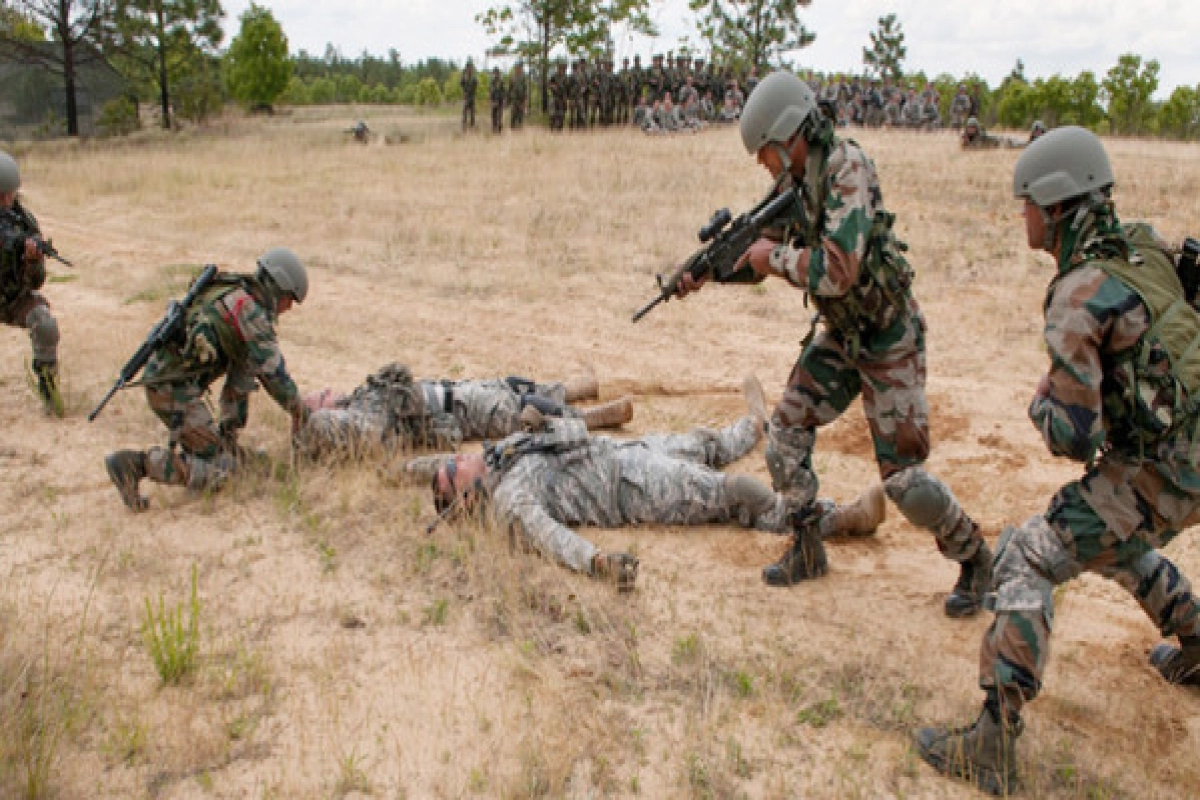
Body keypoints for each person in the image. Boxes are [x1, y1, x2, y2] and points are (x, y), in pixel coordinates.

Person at [914, 127, 1200, 795]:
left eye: (1025, 204)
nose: (1021, 216)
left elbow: (1072, 436)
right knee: (1113, 541)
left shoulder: (1077, 294)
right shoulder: (1146, 249)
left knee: (1030, 555)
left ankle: (992, 737)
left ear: (1054, 205)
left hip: (1160, 471)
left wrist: (1041, 403)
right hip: (1185, 459)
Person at [675, 71, 990, 617]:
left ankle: (976, 557)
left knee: (905, 482)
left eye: (766, 151)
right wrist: (710, 272)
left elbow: (837, 271)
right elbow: (759, 251)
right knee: (785, 431)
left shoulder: (848, 169)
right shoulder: (792, 185)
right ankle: (806, 548)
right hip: (843, 337)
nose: (762, 163)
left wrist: (767, 260)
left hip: (890, 337)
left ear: (792, 135)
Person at [425, 377, 886, 590]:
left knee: (702, 443)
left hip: (627, 452)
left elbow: (571, 431)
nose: (459, 457)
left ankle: (753, 425)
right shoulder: (511, 501)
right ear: (466, 499)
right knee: (735, 493)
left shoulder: (501, 457)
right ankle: (842, 518)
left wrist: (541, 421)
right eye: (453, 469)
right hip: (633, 486)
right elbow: (555, 540)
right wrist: (598, 562)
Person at [104, 248, 310, 511]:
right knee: (224, 472)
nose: (288, 308)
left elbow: (241, 378)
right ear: (277, 287)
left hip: (171, 383)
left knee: (235, 457)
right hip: (172, 391)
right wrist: (301, 413)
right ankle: (136, 465)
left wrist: (228, 435)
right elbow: (275, 377)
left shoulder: (232, 291)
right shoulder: (250, 314)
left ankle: (218, 444)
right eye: (289, 300)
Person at [296, 365, 635, 458]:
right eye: (320, 397)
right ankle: (599, 417)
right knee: (521, 409)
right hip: (456, 409)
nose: (328, 392)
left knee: (512, 386)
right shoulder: (363, 418)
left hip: (453, 391)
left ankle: (580, 388)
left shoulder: (362, 399)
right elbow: (342, 428)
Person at [0, 150, 62, 416]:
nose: (6, 201)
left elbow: (36, 283)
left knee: (44, 322)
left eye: (9, 195)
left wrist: (32, 259)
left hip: (12, 298)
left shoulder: (23, 223)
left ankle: (49, 394)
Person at [508, 62, 528, 130]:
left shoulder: (523, 78)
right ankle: (512, 129)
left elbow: (525, 90)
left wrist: (525, 102)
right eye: (517, 68)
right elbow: (509, 89)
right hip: (514, 100)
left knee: (520, 116)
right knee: (513, 116)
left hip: (521, 100)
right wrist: (508, 100)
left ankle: (519, 130)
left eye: (520, 68)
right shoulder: (512, 78)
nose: (518, 69)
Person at [460, 60, 478, 131]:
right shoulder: (464, 78)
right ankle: (464, 127)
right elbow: (461, 84)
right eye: (468, 68)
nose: (470, 69)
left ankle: (472, 126)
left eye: (471, 68)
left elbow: (475, 86)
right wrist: (463, 75)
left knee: (472, 113)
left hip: (472, 97)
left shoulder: (474, 78)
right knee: (465, 112)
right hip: (466, 97)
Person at [489, 67, 505, 134]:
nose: (495, 74)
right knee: (493, 116)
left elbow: (504, 92)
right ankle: (494, 130)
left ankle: (499, 131)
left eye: (496, 73)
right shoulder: (492, 82)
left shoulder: (501, 82)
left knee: (499, 117)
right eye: (494, 73)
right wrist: (491, 101)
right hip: (493, 102)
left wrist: (503, 100)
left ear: (499, 73)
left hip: (500, 101)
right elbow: (490, 92)